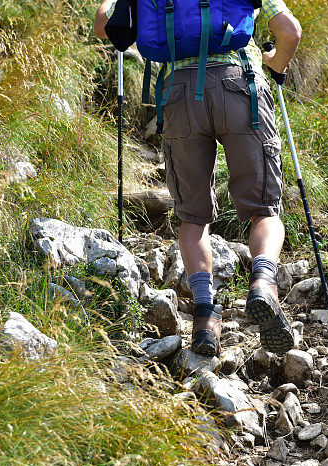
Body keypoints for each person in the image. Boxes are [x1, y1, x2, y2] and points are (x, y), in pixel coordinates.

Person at [95, 0, 302, 357]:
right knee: (264, 209)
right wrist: (276, 65)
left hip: (178, 95)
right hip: (241, 86)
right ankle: (264, 283)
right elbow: (289, 31)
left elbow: (105, 26)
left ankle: (205, 319)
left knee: (193, 218)